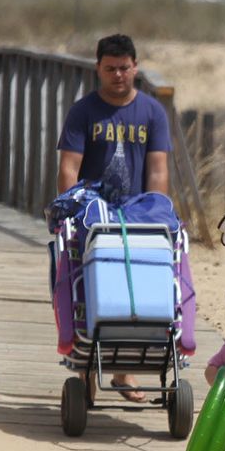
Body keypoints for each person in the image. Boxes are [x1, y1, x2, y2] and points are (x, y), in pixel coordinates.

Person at [56, 33, 172, 402]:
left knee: (133, 287)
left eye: (124, 68)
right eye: (110, 69)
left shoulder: (153, 112)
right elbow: (68, 167)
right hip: (94, 209)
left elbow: (157, 168)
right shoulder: (84, 111)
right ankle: (85, 371)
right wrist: (67, 209)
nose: (118, 75)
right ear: (98, 70)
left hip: (137, 210)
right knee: (86, 287)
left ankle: (124, 372)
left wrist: (160, 211)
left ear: (135, 67)